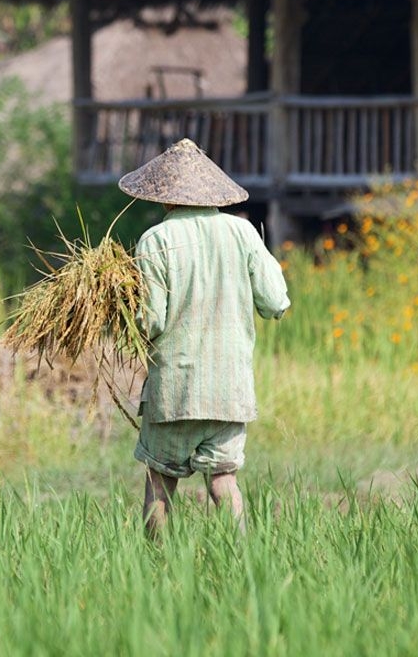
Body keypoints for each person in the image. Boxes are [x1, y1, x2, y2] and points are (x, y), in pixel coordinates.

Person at [120, 138, 290, 536]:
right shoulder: (243, 233)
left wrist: (121, 311)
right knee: (223, 480)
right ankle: (242, 560)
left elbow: (150, 322)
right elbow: (276, 301)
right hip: (229, 388)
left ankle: (155, 567)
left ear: (163, 198)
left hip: (175, 388)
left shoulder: (155, 240)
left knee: (160, 481)